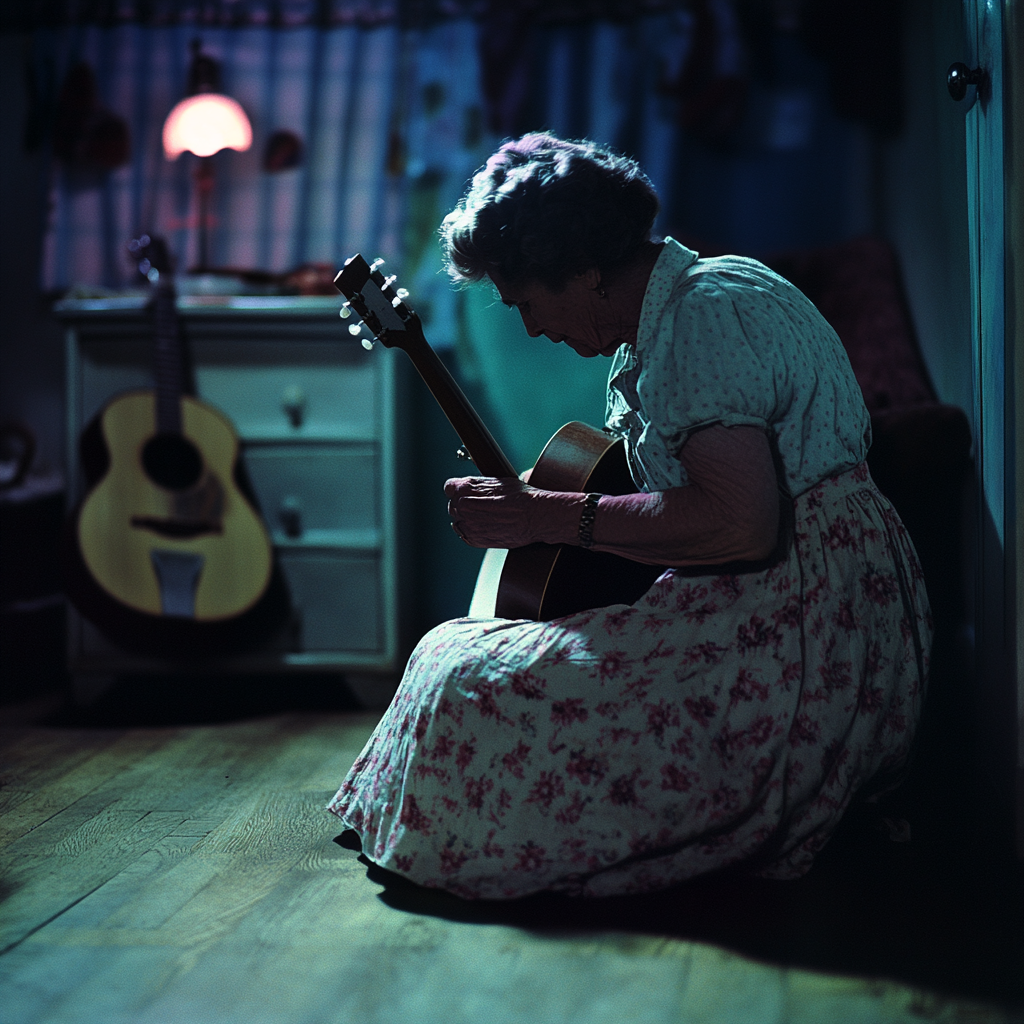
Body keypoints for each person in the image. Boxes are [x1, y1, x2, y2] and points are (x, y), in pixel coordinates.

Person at [328, 133, 931, 899]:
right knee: (451, 652)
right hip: (803, 597)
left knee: (467, 675)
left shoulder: (700, 320)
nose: (534, 330)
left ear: (583, 271)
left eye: (528, 304)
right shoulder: (689, 303)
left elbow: (740, 523)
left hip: (796, 621)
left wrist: (547, 517)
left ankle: (461, 840)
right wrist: (538, 505)